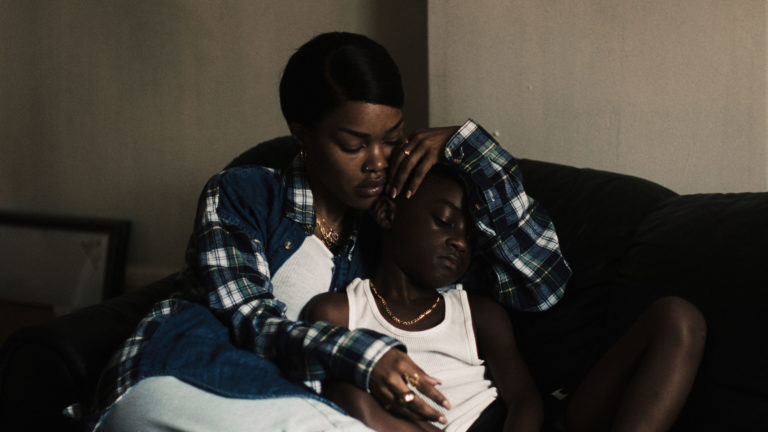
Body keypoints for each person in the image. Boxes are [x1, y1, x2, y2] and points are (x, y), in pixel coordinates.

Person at [86, 31, 571, 431]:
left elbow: (540, 285)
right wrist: (364, 356)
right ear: (303, 135)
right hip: (186, 379)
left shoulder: (398, 221)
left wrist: (471, 147)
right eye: (354, 144)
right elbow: (249, 323)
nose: (377, 163)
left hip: (304, 409)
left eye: (391, 140)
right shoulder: (243, 194)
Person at [303, 163, 543, 432]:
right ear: (386, 214)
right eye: (443, 220)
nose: (460, 242)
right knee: (347, 397)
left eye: (470, 237)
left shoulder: (478, 313)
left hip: (484, 423)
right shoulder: (339, 312)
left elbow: (524, 401)